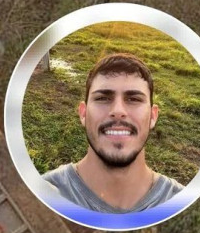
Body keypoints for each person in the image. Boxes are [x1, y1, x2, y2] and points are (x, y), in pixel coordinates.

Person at [43, 53, 184, 213]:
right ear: (83, 113)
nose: (118, 111)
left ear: (152, 116)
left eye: (134, 99)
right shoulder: (41, 197)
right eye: (103, 98)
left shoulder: (185, 205)